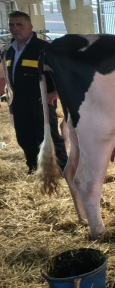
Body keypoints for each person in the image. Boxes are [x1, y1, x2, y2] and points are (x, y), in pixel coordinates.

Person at [2, 11, 67, 173]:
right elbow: (7, 77)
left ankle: (63, 170)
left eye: (19, 25)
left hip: (41, 102)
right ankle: (33, 168)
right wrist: (11, 100)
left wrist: (55, 93)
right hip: (18, 101)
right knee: (24, 137)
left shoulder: (44, 49)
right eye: (11, 25)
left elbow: (64, 74)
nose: (15, 28)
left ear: (30, 27)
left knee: (49, 137)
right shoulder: (9, 50)